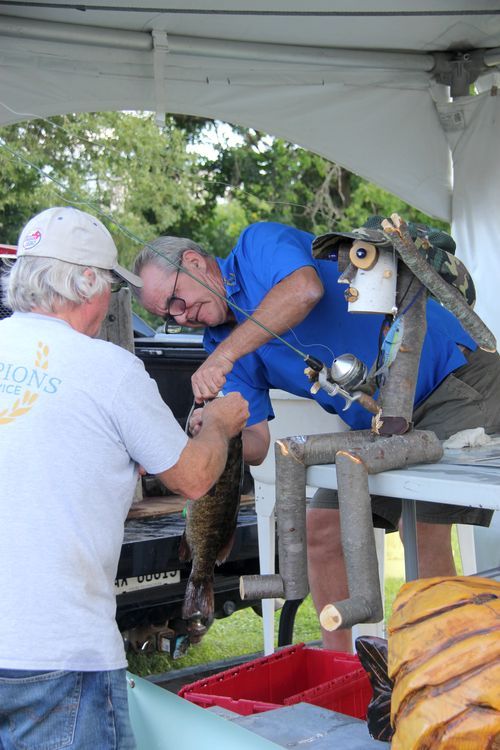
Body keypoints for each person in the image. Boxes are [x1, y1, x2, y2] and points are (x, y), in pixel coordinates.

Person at [133, 221, 500, 651]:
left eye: (176, 301)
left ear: (194, 263)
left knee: (421, 529)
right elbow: (254, 445)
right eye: (167, 316)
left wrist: (227, 353)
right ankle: (341, 671)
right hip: (380, 420)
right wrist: (212, 432)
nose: (179, 316)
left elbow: (305, 289)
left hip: (452, 380)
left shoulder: (256, 247)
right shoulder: (217, 341)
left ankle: (444, 671)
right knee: (322, 531)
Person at [0, 206, 249, 749]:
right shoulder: (109, 369)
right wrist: (222, 427)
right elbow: (193, 478)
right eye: (111, 289)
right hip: (58, 655)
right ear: (88, 280)